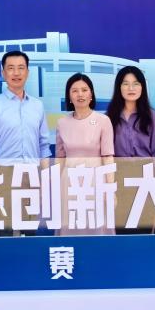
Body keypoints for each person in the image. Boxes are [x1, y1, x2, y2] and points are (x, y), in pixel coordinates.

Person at [0, 50, 52, 230]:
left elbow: (44, 146)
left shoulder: (37, 106)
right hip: (5, 173)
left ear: (28, 72)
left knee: (29, 228)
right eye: (11, 68)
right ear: (3, 73)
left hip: (32, 173)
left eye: (21, 68)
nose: (16, 73)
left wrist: (45, 181)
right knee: (6, 229)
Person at [105, 65, 155, 232]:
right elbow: (105, 155)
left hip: (146, 178)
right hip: (119, 178)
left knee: (145, 229)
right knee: (121, 228)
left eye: (136, 83)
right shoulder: (109, 118)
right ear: (119, 88)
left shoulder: (153, 117)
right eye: (125, 84)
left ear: (142, 87)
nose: (131, 88)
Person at [55, 73, 115, 235]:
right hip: (68, 182)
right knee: (71, 225)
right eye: (74, 91)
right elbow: (60, 158)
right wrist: (55, 187)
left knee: (96, 225)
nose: (80, 94)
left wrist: (110, 189)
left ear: (91, 94)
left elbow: (108, 157)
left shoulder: (103, 120)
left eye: (84, 90)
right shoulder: (62, 123)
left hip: (96, 181)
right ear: (69, 96)